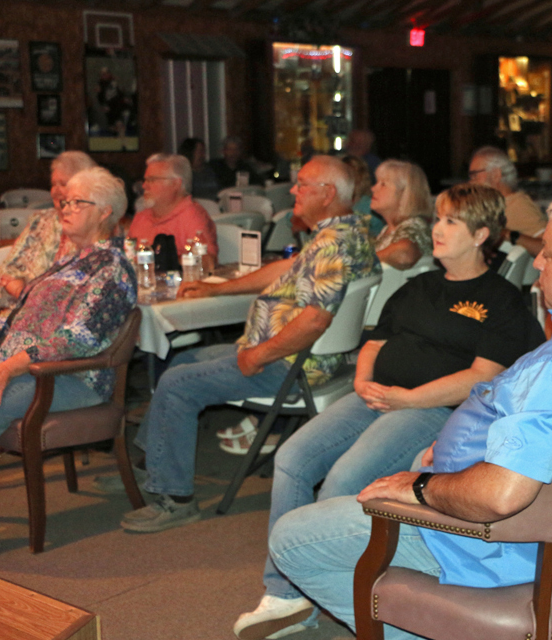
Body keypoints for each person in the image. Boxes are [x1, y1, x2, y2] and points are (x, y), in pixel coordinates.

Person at [266, 191, 552, 640]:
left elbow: (501, 496)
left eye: (549, 253)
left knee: (291, 537)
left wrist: (420, 487)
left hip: (489, 541)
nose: (537, 262)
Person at [233, 183, 546, 640]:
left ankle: (330, 591)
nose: (437, 229)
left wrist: (407, 398)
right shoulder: (419, 285)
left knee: (345, 477)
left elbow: (482, 376)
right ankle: (286, 593)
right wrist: (363, 382)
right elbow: (375, 342)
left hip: (431, 411)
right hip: (375, 397)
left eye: (451, 222)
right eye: (438, 219)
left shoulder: (501, 299)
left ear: (481, 235)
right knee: (292, 458)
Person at [118, 155, 380, 533]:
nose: (293, 189)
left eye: (303, 184)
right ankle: (153, 465)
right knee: (183, 360)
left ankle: (175, 499)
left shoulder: (332, 245)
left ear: (327, 193)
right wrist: (218, 289)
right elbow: (284, 270)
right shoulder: (345, 233)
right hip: (303, 359)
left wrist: (258, 355)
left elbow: (315, 320)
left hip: (290, 365)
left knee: (176, 384)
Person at [0, 167, 137, 563]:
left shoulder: (112, 269)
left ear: (105, 212)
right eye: (65, 200)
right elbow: (19, 318)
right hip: (20, 363)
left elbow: (79, 338)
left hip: (71, 376)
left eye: (78, 202)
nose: (65, 207)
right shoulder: (68, 260)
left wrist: (12, 367)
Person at [0, 151, 98, 301]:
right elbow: (9, 270)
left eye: (63, 184)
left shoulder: (95, 227)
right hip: (26, 306)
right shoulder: (40, 221)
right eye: (53, 184)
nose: (55, 191)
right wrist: (24, 295)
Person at [128, 153, 218, 273]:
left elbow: (208, 263)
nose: (144, 186)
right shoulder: (142, 216)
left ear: (176, 183)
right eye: (145, 180)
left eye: (152, 180)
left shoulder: (192, 217)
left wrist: (169, 260)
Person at [468, 146, 545, 256]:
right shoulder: (498, 205)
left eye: (475, 175)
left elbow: (549, 248)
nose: (471, 182)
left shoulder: (518, 205)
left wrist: (506, 234)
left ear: (495, 175)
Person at [372, 160, 433, 270]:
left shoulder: (414, 225)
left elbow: (404, 254)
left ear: (404, 193)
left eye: (383, 184)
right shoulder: (389, 229)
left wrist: (361, 261)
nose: (373, 188)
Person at [343, 155, 384, 238]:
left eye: (351, 174)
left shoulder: (370, 205)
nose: (345, 179)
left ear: (361, 177)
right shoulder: (338, 203)